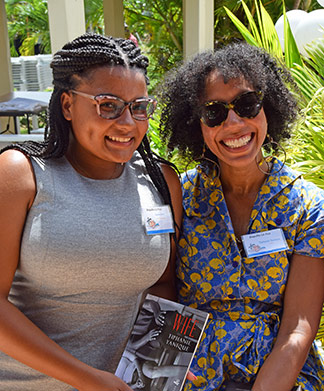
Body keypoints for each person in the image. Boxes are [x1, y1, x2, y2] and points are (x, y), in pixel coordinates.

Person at [0, 33, 183, 390]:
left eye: (139, 106)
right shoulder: (21, 175)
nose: (128, 123)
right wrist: (88, 380)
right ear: (67, 105)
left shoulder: (161, 182)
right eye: (108, 105)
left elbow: (163, 285)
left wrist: (157, 367)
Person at [158, 42, 324, 390]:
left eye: (247, 105)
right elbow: (165, 294)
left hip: (281, 372)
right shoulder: (180, 196)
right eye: (214, 112)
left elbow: (298, 325)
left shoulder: (309, 206)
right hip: (189, 370)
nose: (233, 123)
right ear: (197, 125)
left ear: (269, 110)